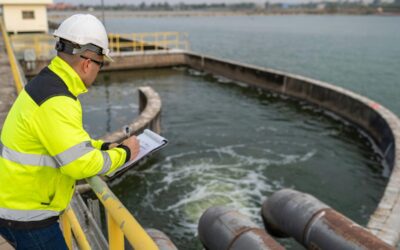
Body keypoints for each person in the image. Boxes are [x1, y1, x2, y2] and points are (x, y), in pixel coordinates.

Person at [0, 14, 140, 249]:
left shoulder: (47, 83)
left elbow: (69, 141)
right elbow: (79, 165)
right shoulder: (58, 100)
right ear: (87, 63)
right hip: (28, 217)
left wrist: (103, 147)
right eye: (101, 64)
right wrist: (125, 153)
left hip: (15, 204)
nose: (98, 71)